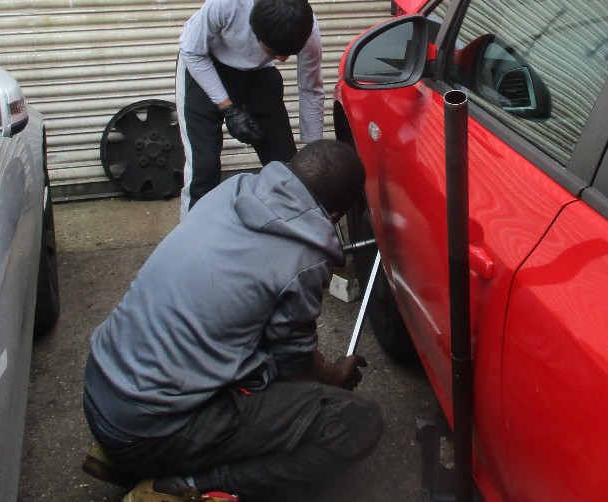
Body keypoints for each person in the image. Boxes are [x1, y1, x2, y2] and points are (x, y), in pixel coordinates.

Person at [81, 139, 382, 501]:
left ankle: (132, 457)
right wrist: (335, 374)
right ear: (335, 216)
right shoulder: (304, 255)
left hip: (102, 392)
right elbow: (295, 365)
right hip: (150, 427)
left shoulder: (232, 192)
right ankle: (184, 483)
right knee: (355, 423)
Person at [176, 0, 325, 215]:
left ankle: (298, 231)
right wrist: (228, 109)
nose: (283, 60)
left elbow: (310, 88)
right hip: (205, 65)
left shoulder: (307, 29)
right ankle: (192, 240)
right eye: (276, 52)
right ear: (254, 31)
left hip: (258, 73)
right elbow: (192, 50)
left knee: (286, 165)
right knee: (204, 167)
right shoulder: (227, 2)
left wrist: (315, 147)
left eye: (289, 53)